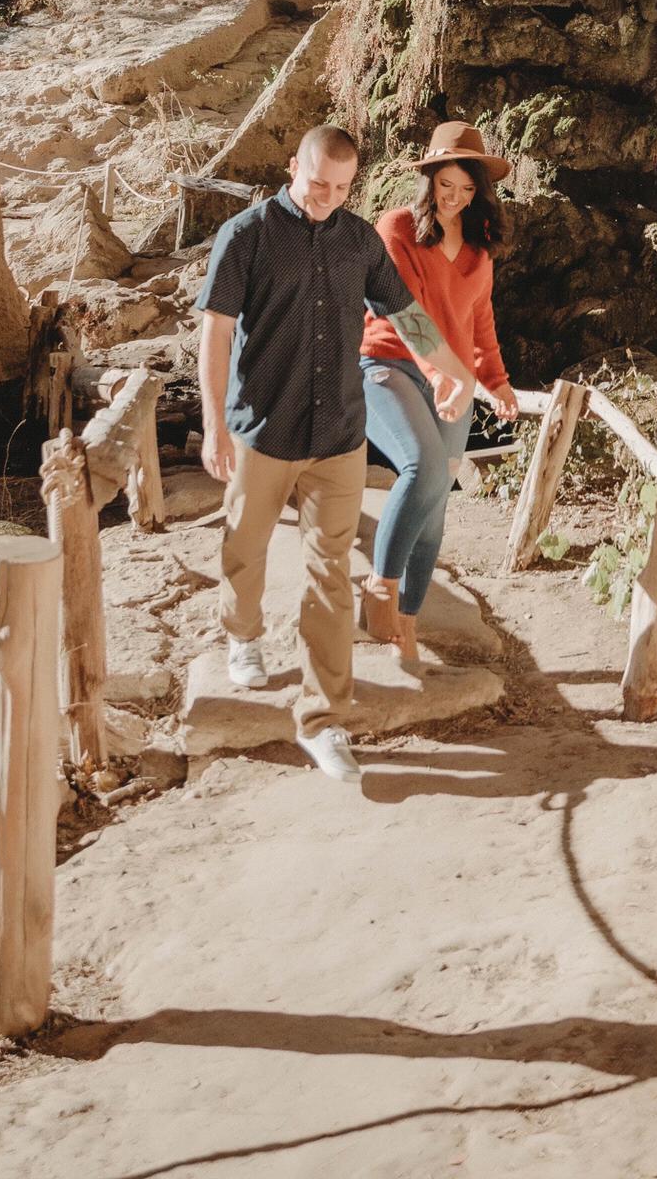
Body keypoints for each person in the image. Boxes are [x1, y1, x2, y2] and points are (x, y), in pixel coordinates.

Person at [195, 123, 475, 784]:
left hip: (338, 438)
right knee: (245, 547)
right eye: (317, 183)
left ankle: (323, 723)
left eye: (342, 188)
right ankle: (242, 632)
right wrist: (213, 426)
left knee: (327, 579)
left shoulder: (359, 241)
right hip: (262, 429)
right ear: (293, 167)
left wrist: (445, 369)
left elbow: (404, 313)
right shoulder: (247, 236)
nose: (327, 197)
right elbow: (214, 333)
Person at [359, 121, 518, 664]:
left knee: (436, 507)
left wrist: (494, 381)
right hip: (388, 367)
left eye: (467, 189)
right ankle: (380, 587)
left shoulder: (479, 248)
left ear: (480, 193)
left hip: (454, 381)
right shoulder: (396, 228)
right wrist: (442, 377)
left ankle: (406, 624)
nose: (455, 198)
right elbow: (405, 315)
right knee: (423, 466)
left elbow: (480, 320)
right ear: (429, 180)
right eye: (446, 185)